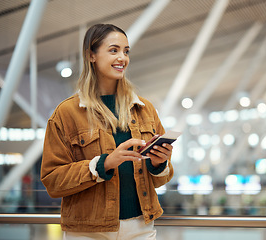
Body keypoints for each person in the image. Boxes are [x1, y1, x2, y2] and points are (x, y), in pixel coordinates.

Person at [41, 23, 174, 239]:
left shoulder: (145, 109)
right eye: (114, 50)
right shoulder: (66, 113)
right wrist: (104, 164)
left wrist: (159, 164)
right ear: (91, 55)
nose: (122, 58)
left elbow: (160, 180)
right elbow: (52, 181)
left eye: (126, 51)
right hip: (87, 231)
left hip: (140, 226)